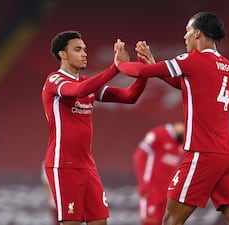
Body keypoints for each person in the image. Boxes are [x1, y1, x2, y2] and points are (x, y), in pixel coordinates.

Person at [114, 12, 229, 225]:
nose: (185, 36)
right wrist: (154, 65)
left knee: (171, 219)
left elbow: (141, 72)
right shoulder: (228, 66)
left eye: (188, 31)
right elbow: (187, 84)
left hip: (203, 153)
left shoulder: (194, 59)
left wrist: (120, 64)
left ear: (198, 33)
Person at [41, 30, 147, 225]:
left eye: (85, 50)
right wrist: (115, 68)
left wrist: (144, 72)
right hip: (63, 164)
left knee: (100, 222)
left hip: (88, 166)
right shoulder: (54, 80)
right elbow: (79, 91)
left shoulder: (85, 82)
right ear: (62, 54)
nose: (84, 54)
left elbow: (129, 97)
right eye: (78, 49)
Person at [133, 122, 185, 225]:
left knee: (165, 222)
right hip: (151, 189)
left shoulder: (181, 143)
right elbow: (139, 156)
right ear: (180, 124)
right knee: (150, 222)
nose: (186, 135)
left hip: (167, 192)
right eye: (185, 131)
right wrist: (145, 182)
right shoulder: (158, 134)